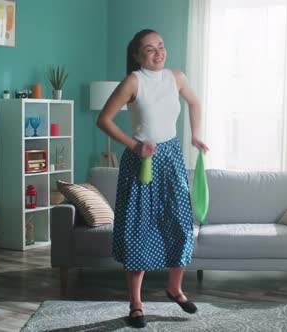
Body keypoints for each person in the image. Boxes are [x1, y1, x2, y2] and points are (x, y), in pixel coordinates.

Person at [96, 29, 209, 328]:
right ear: (137, 55)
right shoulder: (133, 81)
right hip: (141, 162)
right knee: (139, 231)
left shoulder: (177, 77)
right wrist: (134, 146)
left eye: (161, 46)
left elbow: (195, 103)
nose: (158, 53)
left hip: (171, 158)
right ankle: (135, 304)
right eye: (149, 49)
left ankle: (175, 289)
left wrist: (196, 135)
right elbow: (103, 120)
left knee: (181, 225)